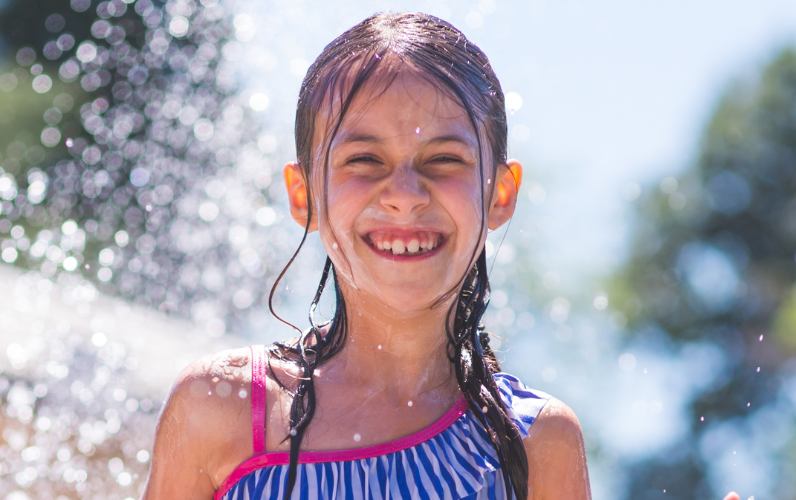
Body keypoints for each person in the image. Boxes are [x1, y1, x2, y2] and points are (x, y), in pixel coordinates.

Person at [142, 12, 591, 499]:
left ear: (500, 194)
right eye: (363, 159)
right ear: (304, 195)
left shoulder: (534, 442)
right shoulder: (222, 408)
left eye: (444, 159)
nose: (404, 194)